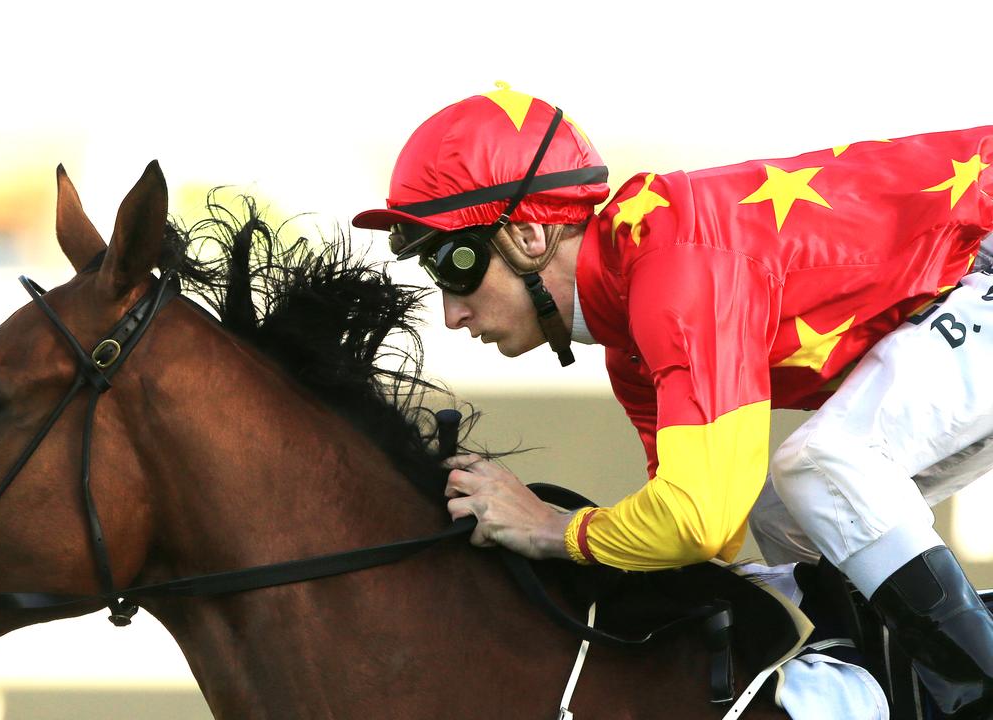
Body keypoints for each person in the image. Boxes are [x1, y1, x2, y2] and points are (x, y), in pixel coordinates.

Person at [352, 84, 993, 718]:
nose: (452, 311)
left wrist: (551, 528)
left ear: (526, 236)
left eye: (453, 264)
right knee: (783, 517)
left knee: (822, 467)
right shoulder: (630, 334)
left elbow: (697, 517)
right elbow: (701, 539)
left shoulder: (674, 272)